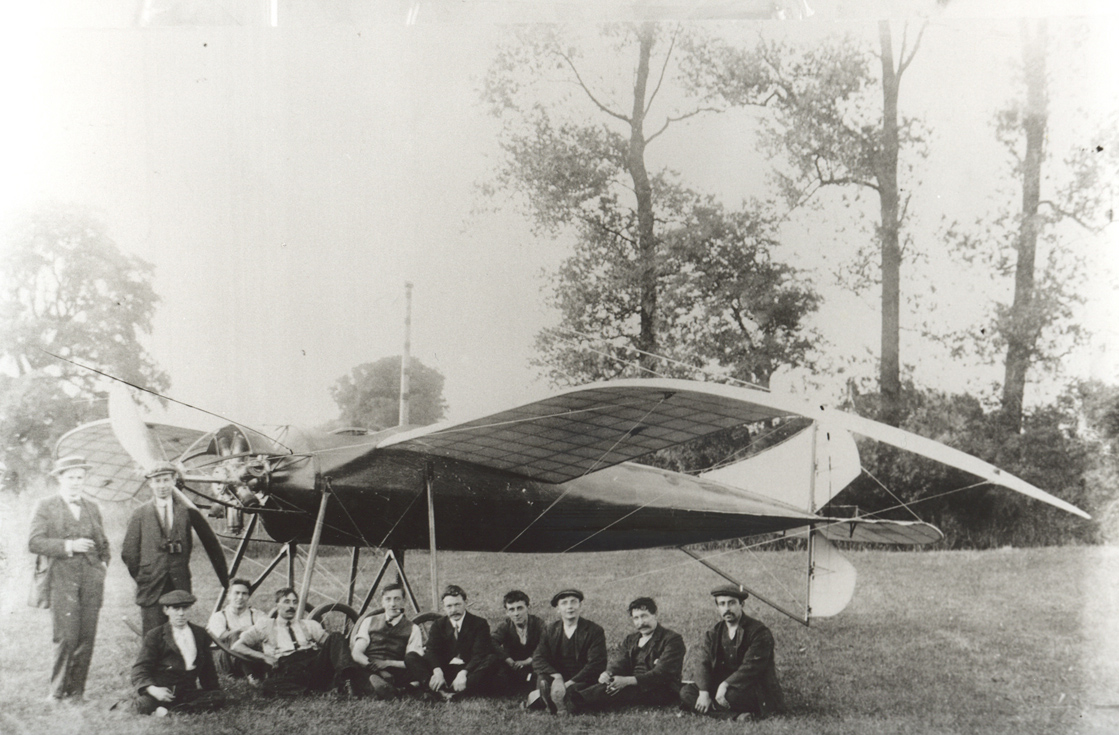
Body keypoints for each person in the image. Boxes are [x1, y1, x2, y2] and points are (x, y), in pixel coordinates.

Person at [28, 455, 111, 704]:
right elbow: (34, 542)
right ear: (60, 479)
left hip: (90, 579)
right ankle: (56, 692)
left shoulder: (92, 507)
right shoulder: (45, 506)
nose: (76, 482)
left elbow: (103, 543)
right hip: (61, 578)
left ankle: (76, 693)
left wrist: (103, 565)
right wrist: (69, 545)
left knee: (87, 634)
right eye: (71, 477)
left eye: (80, 477)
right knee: (66, 636)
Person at [232, 587, 365, 697]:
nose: (291, 606)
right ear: (277, 604)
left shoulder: (309, 624)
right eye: (286, 602)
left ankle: (348, 681)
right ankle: (321, 691)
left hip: (313, 663)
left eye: (294, 602)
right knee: (268, 687)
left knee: (336, 636)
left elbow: (332, 645)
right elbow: (237, 646)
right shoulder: (265, 626)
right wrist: (264, 657)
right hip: (288, 667)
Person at [679, 585, 786, 721]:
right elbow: (703, 662)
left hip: (750, 687)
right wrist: (704, 692)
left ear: (742, 604)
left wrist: (725, 685)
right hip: (721, 688)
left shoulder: (759, 632)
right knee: (686, 692)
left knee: (731, 697)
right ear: (717, 607)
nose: (727, 609)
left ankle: (715, 710)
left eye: (732, 603)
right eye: (722, 604)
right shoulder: (714, 633)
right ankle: (734, 716)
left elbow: (751, 668)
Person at [121, 463, 199, 633]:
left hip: (178, 581)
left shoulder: (184, 512)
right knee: (153, 632)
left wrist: (177, 567)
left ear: (174, 481)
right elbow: (129, 552)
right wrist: (145, 575)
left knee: (178, 630)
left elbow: (187, 547)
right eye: (157, 481)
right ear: (150, 483)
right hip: (152, 584)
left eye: (166, 480)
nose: (162, 485)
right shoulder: (140, 514)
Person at [574, 596, 685, 712]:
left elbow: (662, 673)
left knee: (610, 691)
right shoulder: (631, 639)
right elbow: (621, 663)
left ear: (655, 615)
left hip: (660, 689)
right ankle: (577, 698)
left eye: (644, 616)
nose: (641, 622)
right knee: (594, 686)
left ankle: (578, 702)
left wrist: (627, 681)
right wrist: (608, 673)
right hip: (632, 684)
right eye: (636, 618)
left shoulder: (672, 639)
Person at [131, 590, 226, 716]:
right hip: (162, 691)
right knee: (143, 704)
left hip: (187, 692)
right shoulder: (155, 635)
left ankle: (175, 711)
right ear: (166, 610)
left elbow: (208, 668)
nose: (181, 613)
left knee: (218, 697)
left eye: (185, 608)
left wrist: (214, 691)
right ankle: (169, 709)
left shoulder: (200, 633)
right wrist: (153, 690)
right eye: (176, 609)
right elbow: (140, 668)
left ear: (190, 609)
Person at [405, 584, 497, 700]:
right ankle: (440, 689)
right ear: (443, 607)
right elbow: (431, 651)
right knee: (411, 657)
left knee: (492, 659)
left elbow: (480, 654)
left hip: (468, 672)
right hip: (444, 671)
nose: (454, 610)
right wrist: (437, 672)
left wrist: (463, 673)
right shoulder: (438, 625)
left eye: (457, 605)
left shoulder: (479, 623)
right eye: (449, 606)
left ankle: (447, 693)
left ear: (465, 602)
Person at [529, 588, 607, 715]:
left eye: (573, 602)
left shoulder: (594, 630)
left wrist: (568, 683)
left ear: (580, 606)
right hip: (557, 677)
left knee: (577, 693)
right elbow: (538, 658)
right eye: (564, 603)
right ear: (558, 608)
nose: (569, 607)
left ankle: (549, 700)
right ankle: (552, 700)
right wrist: (557, 677)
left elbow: (596, 663)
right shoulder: (550, 630)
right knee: (543, 679)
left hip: (581, 678)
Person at [350, 582, 424, 699]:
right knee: (359, 671)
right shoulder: (369, 621)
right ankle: (397, 690)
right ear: (382, 602)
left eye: (397, 599)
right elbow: (357, 653)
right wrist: (378, 669)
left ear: (404, 602)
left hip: (396, 671)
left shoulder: (413, 628)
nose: (393, 604)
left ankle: (383, 690)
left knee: (418, 674)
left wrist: (387, 664)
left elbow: (414, 662)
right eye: (388, 599)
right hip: (368, 666)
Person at [206, 578, 267, 679]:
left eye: (244, 594)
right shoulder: (219, 616)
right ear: (229, 595)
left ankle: (251, 674)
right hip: (226, 659)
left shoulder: (257, 615)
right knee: (236, 636)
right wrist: (244, 630)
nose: (240, 597)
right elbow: (223, 637)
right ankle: (251, 675)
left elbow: (267, 631)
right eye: (236, 593)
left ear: (248, 596)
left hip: (253, 655)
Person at [491, 589, 544, 696]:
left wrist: (528, 661)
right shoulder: (506, 625)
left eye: (520, 608)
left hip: (533, 664)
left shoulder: (538, 624)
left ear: (528, 608)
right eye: (512, 609)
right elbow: (492, 641)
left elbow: (545, 644)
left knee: (540, 675)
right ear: (507, 612)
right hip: (512, 666)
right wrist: (508, 659)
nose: (516, 614)